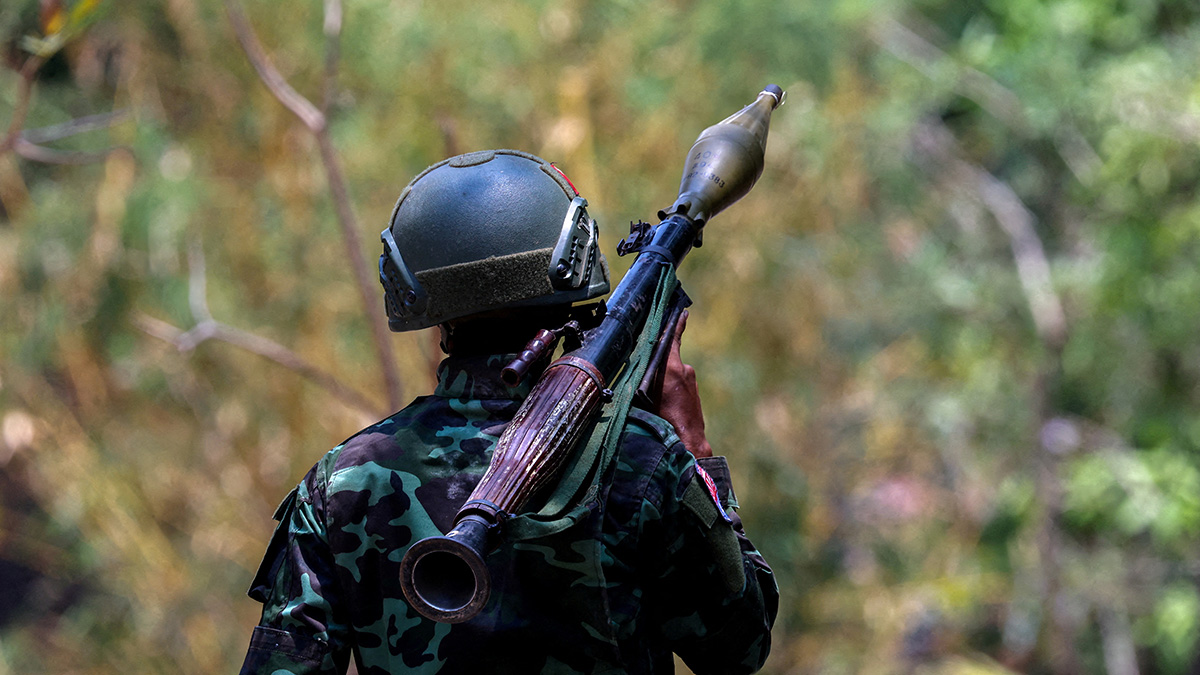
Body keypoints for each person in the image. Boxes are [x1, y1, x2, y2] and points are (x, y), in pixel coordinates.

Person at [238, 149, 778, 675]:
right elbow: (740, 648)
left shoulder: (343, 482)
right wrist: (694, 451)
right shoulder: (643, 460)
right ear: (571, 275)